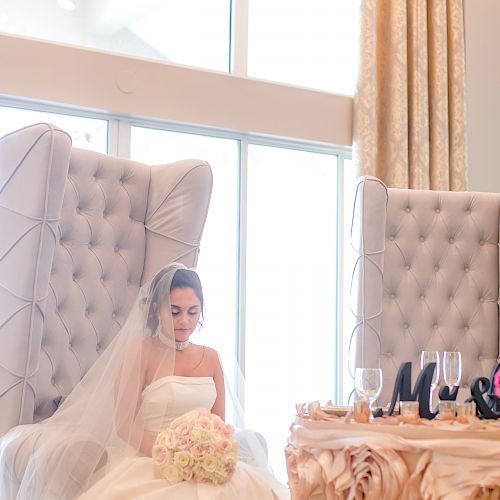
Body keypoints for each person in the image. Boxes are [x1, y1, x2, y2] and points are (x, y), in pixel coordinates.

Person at [0, 263, 289, 500]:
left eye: (193, 311)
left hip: (203, 464)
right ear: (156, 310)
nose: (185, 321)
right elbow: (125, 423)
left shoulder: (212, 357)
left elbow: (219, 423)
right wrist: (169, 456)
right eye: (175, 311)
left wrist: (208, 454)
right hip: (148, 459)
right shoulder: (140, 353)